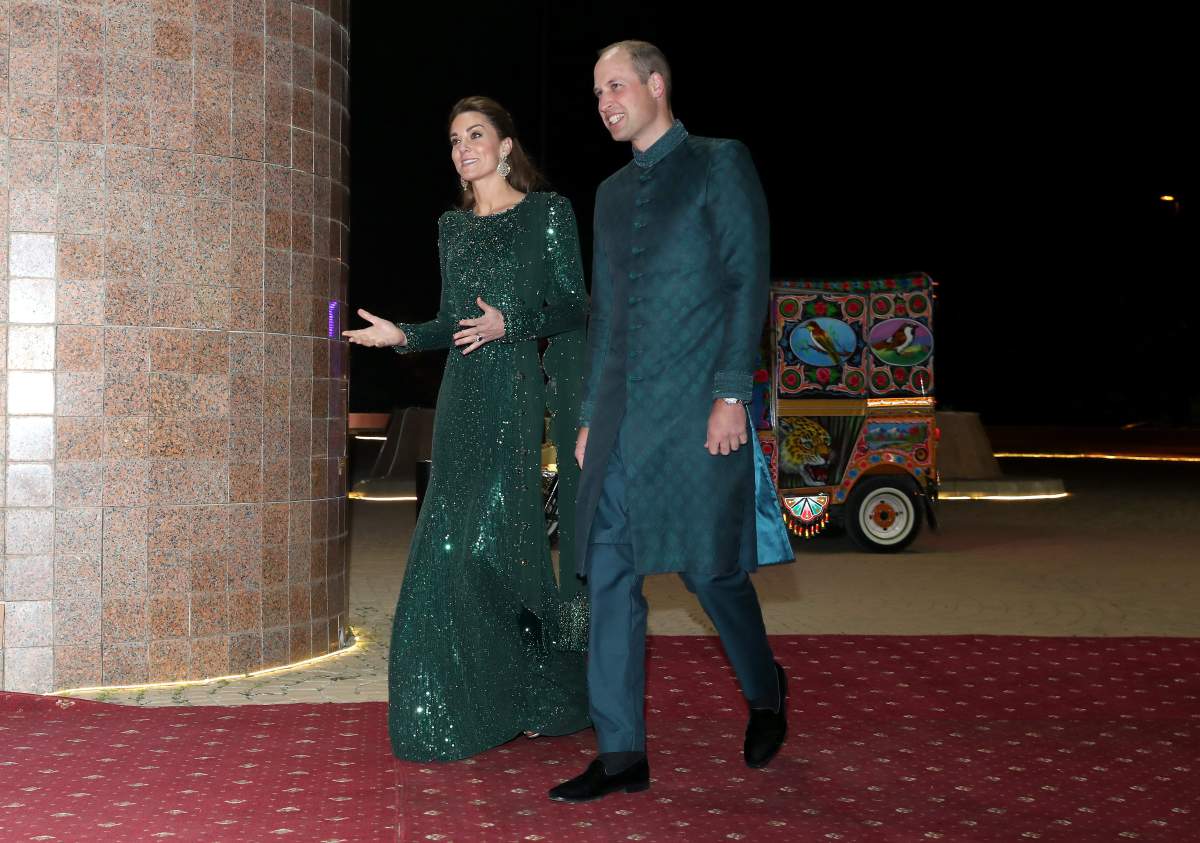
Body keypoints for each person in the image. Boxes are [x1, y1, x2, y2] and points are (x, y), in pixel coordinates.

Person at [549, 41, 792, 803]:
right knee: (609, 571)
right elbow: (607, 316)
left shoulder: (720, 162)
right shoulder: (611, 194)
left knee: (709, 570)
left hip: (698, 413)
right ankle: (621, 751)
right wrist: (590, 413)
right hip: (622, 418)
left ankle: (765, 689)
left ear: (657, 85)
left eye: (616, 85)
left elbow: (747, 276)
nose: (605, 102)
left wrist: (731, 392)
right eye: (595, 93)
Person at [344, 96, 591, 761]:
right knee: (446, 549)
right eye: (454, 138)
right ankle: (455, 707)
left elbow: (573, 303)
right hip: (461, 399)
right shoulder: (452, 227)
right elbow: (452, 319)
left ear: (507, 146)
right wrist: (404, 335)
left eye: (476, 135)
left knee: (508, 543)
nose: (463, 148)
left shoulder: (548, 213)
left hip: (512, 397)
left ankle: (551, 689)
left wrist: (513, 321)